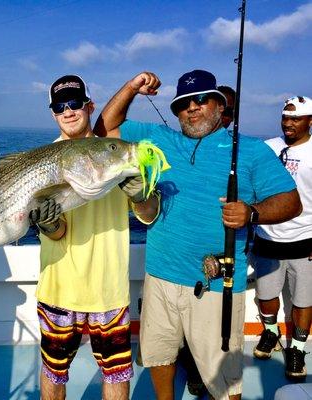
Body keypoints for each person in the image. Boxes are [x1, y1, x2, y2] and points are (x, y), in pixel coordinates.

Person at [93, 69, 302, 400]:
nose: (192, 108)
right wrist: (133, 87)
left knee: (224, 375)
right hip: (160, 275)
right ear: (176, 112)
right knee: (159, 356)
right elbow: (103, 128)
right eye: (183, 104)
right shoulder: (160, 138)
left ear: (220, 106)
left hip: (217, 283)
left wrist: (252, 212)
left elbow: (291, 202)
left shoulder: (249, 150)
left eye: (202, 100)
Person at [31, 74, 160, 400]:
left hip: (109, 291)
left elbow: (148, 215)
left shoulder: (115, 152)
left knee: (117, 374)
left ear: (89, 105)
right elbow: (58, 233)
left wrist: (141, 194)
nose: (69, 111)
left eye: (75, 103)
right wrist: (47, 225)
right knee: (53, 372)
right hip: (59, 288)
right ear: (53, 113)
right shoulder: (42, 162)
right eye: (60, 106)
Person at [177, 83, 236, 397]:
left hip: (226, 252)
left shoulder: (239, 151)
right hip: (190, 255)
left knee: (214, 323)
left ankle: (215, 370)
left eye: (228, 112)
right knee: (190, 319)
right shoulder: (189, 146)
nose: (225, 119)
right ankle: (193, 368)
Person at [250, 95, 312, 380]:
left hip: (306, 239)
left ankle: (298, 348)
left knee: (303, 300)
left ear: (310, 121)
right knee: (266, 295)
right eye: (285, 118)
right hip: (267, 237)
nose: (288, 124)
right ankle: (271, 332)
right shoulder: (267, 148)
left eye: (296, 119)